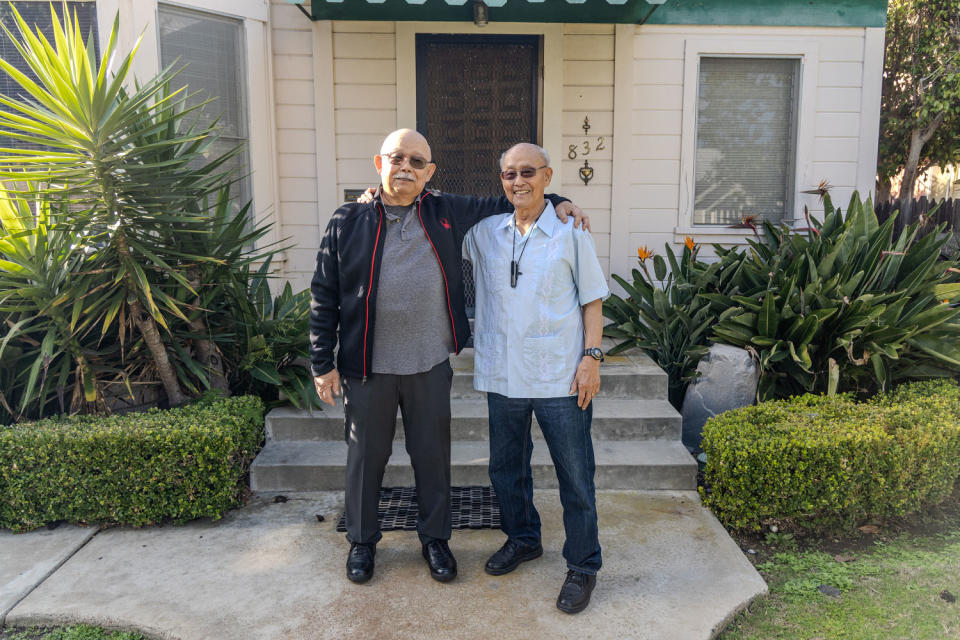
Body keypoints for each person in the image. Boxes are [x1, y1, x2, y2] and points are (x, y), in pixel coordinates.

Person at [309, 129, 587, 585]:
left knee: (432, 457)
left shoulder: (444, 210)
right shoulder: (347, 220)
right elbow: (324, 295)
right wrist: (323, 362)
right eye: (397, 158)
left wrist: (556, 198)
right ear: (379, 163)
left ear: (430, 173)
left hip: (430, 364)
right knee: (365, 459)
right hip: (367, 367)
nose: (406, 168)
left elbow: (511, 199)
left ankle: (435, 541)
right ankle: (362, 543)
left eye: (417, 162)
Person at [462, 142, 609, 613]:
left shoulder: (570, 231)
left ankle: (583, 565)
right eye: (509, 173)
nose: (518, 181)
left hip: (560, 378)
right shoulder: (484, 233)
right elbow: (432, 220)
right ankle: (523, 539)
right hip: (502, 374)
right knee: (506, 469)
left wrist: (592, 357)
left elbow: (592, 300)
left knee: (575, 475)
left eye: (528, 172)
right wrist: (374, 196)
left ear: (547, 177)